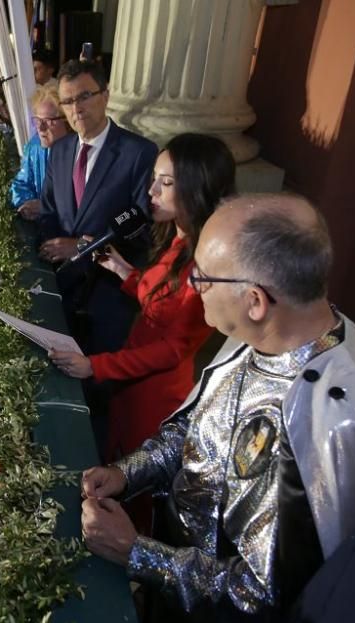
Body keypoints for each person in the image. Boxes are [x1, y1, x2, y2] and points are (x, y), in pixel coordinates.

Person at [79, 193, 355, 623]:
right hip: (171, 612)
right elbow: (197, 433)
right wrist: (129, 472)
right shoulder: (258, 336)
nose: (192, 285)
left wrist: (137, 553)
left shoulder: (336, 423)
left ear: (255, 300)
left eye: (202, 276)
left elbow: (268, 599)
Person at [50, 133, 235, 529]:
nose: (150, 191)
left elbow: (171, 348)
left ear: (196, 187)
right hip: (130, 385)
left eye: (165, 183)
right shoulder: (179, 239)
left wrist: (93, 366)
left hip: (155, 395)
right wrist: (122, 270)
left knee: (133, 488)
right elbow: (158, 299)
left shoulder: (205, 262)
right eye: (154, 179)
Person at [37, 58, 158, 355]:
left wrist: (82, 246)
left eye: (84, 97)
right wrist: (48, 252)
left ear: (105, 95)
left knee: (99, 386)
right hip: (61, 288)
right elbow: (49, 209)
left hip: (109, 296)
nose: (76, 108)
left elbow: (141, 223)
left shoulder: (139, 152)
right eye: (67, 101)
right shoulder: (60, 151)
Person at [10, 82, 70, 220]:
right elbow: (21, 183)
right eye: (37, 120)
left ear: (66, 120)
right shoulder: (34, 146)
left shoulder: (80, 153)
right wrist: (27, 204)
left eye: (48, 121)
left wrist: (45, 207)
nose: (41, 128)